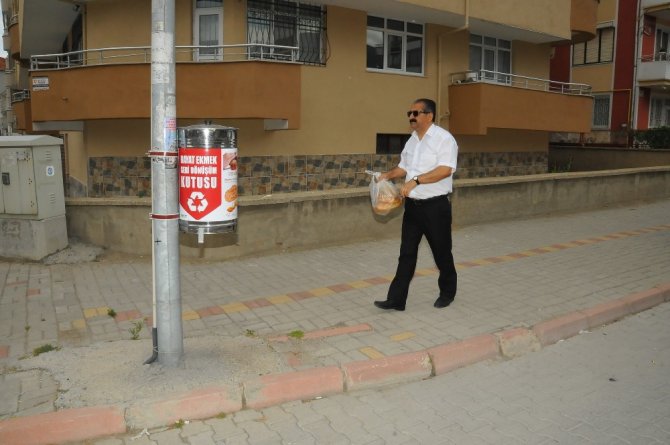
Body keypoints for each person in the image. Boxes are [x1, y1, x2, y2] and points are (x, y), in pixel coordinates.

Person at [374, 98, 458, 311]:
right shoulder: (412, 140)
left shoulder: (444, 139)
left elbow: (445, 169)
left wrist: (416, 180)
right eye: (409, 113)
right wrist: (387, 175)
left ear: (429, 116)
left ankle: (447, 293)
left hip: (435, 207)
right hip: (412, 208)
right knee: (406, 253)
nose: (411, 117)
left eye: (416, 113)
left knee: (441, 252)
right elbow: (404, 167)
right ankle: (396, 300)